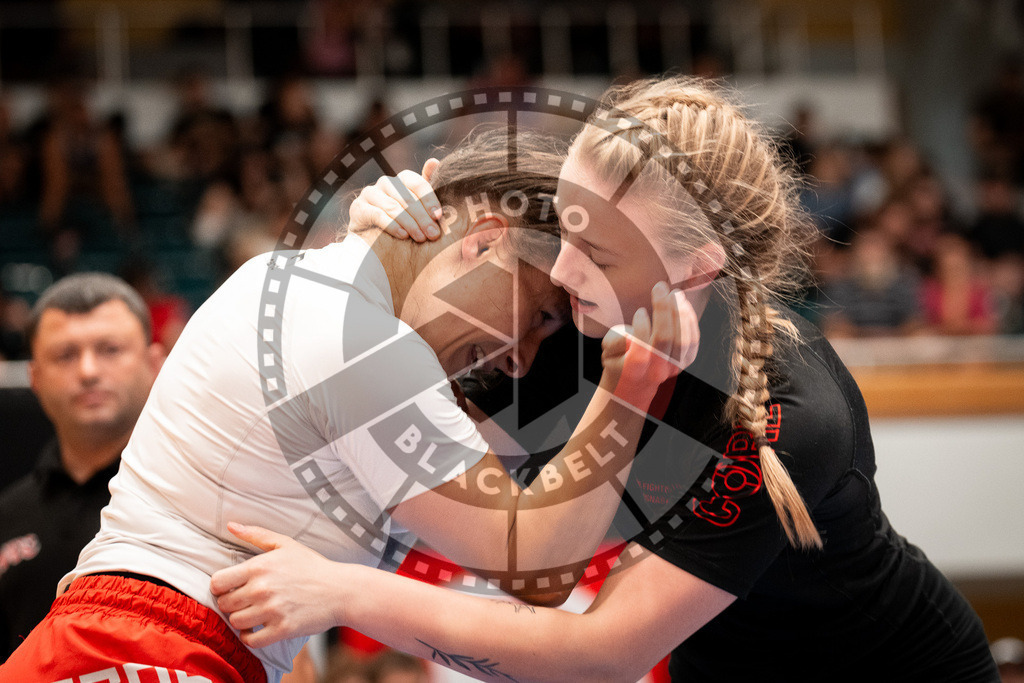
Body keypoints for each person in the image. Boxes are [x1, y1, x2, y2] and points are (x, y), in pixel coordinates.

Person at [210, 77, 1000, 682]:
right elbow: (395, 432)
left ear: (696, 267)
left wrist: (345, 596)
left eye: (599, 251)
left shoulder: (789, 414)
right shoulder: (580, 320)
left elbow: (601, 651)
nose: (559, 267)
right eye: (566, 224)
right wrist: (381, 249)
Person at [1, 129, 692, 682]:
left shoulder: (308, 289)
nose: (521, 359)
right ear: (483, 239)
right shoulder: (363, 342)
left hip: (146, 640)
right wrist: (629, 388)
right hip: (145, 644)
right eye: (542, 313)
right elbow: (536, 560)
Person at [0, 273, 164, 658]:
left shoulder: (208, 503)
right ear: (35, 378)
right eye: (65, 355)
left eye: (109, 349)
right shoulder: (6, 517)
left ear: (155, 363)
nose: (88, 371)